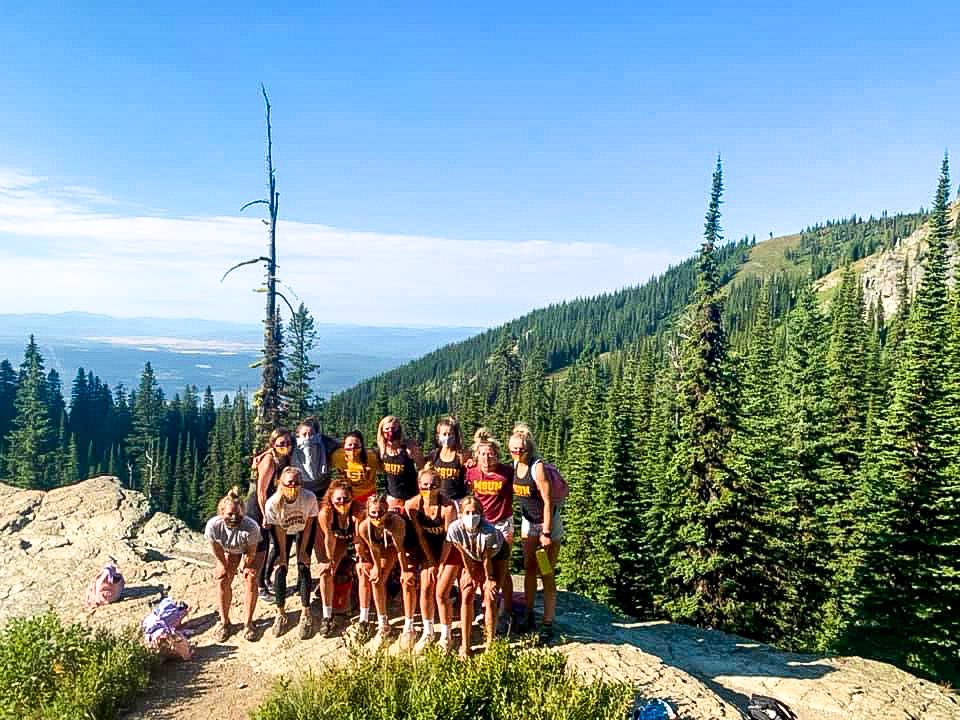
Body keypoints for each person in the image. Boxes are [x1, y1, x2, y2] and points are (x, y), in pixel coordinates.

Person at [509, 423, 563, 643]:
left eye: (521, 449)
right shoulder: (514, 465)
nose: (517, 452)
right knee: (529, 568)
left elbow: (548, 501)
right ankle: (529, 613)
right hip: (528, 522)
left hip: (546, 524)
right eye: (513, 449)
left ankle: (548, 623)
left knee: (546, 572)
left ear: (528, 448)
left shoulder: (536, 467)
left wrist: (547, 532)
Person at [444, 496, 509, 658]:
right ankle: (465, 646)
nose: (471, 516)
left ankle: (490, 644)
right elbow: (462, 551)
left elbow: (487, 559)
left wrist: (490, 579)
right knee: (466, 594)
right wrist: (470, 574)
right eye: (467, 512)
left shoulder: (489, 531)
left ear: (481, 514)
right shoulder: (455, 529)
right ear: (461, 513)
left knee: (490, 597)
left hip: (496, 555)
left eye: (475, 512)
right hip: (471, 554)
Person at [404, 465, 457, 652]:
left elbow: (449, 540)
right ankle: (428, 631)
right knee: (426, 587)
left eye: (433, 485)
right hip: (429, 550)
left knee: (441, 592)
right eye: (425, 485)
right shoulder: (413, 505)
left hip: (450, 550)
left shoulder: (448, 507)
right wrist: (431, 562)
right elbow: (420, 536)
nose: (429, 489)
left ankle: (446, 635)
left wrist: (441, 564)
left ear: (439, 485)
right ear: (419, 485)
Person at [465, 430, 515, 625]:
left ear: (497, 454)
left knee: (502, 566)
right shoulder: (472, 471)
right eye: (483, 454)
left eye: (491, 453)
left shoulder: (507, 473)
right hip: (481, 524)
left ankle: (506, 608)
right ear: (477, 455)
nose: (487, 458)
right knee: (481, 566)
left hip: (503, 523)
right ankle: (485, 605)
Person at [264, 467, 319, 638]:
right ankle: (280, 613)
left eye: (297, 483)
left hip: (303, 528)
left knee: (304, 566)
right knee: (281, 568)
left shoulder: (309, 497)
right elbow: (279, 530)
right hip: (284, 530)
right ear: (281, 483)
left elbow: (309, 524)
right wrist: (282, 554)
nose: (293, 486)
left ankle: (305, 613)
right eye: (289, 483)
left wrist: (303, 551)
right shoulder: (273, 503)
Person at [205, 486, 262, 642]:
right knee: (222, 579)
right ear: (221, 513)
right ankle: (224, 622)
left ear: (242, 512)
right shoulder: (213, 526)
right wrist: (224, 566)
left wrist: (246, 565)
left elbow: (251, 551)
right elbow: (216, 549)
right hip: (229, 548)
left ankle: (248, 624)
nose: (234, 517)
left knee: (250, 578)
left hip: (253, 548)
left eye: (237, 514)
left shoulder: (251, 527)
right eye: (230, 514)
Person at [355, 494, 410, 647]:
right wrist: (377, 568)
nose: (377, 516)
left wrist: (405, 570)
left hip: (397, 546)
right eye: (373, 513)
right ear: (368, 512)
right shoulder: (365, 527)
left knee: (401, 577)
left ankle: (404, 623)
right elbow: (374, 548)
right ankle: (382, 622)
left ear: (387, 510)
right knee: (376, 578)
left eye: (380, 512)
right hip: (381, 547)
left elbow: (400, 549)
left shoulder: (396, 522)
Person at [245, 427, 293, 599]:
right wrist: (266, 515)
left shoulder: (284, 458)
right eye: (281, 443)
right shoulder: (269, 460)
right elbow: (261, 492)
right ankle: (261, 587)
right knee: (262, 546)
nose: (285, 445)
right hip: (258, 508)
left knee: (278, 544)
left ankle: (266, 579)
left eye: (288, 442)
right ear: (273, 444)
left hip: (272, 506)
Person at [313, 479, 357, 637]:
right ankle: (327, 614)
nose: (342, 502)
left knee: (358, 566)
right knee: (327, 573)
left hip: (349, 538)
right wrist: (329, 560)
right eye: (338, 499)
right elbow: (329, 538)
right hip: (329, 538)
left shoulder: (357, 511)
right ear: (331, 499)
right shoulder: (326, 513)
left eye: (346, 498)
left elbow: (359, 538)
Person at [376, 416, 424, 511]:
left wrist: (415, 454)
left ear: (399, 430)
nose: (391, 431)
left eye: (394, 428)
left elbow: (422, 466)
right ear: (382, 432)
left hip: (412, 497)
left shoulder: (408, 447)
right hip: (392, 498)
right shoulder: (382, 450)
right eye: (387, 429)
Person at [330, 430, 380, 516]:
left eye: (356, 445)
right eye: (349, 445)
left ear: (362, 446)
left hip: (367, 496)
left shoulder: (372, 457)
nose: (352, 448)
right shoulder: (337, 456)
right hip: (346, 497)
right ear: (344, 445)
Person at [291, 416, 339, 499]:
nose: (308, 438)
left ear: (317, 434)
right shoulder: (291, 444)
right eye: (304, 434)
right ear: (298, 435)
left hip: (323, 487)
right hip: (300, 488)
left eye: (311, 434)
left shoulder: (325, 442)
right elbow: (278, 446)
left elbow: (340, 446)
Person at [428, 417, 468, 508]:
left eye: (450, 434)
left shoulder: (460, 455)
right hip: (439, 500)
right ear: (438, 436)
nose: (447, 437)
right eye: (444, 434)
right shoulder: (434, 455)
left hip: (457, 500)